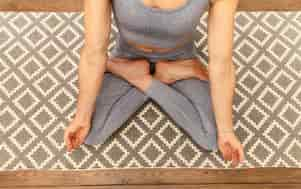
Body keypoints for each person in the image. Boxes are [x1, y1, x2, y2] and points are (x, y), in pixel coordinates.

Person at [64, 0, 245, 167]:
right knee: (90, 132)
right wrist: (81, 118)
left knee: (212, 136)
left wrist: (227, 131)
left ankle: (143, 74)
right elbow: (94, 52)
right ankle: (131, 70)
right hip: (128, 54)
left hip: (179, 57)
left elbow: (222, 63)